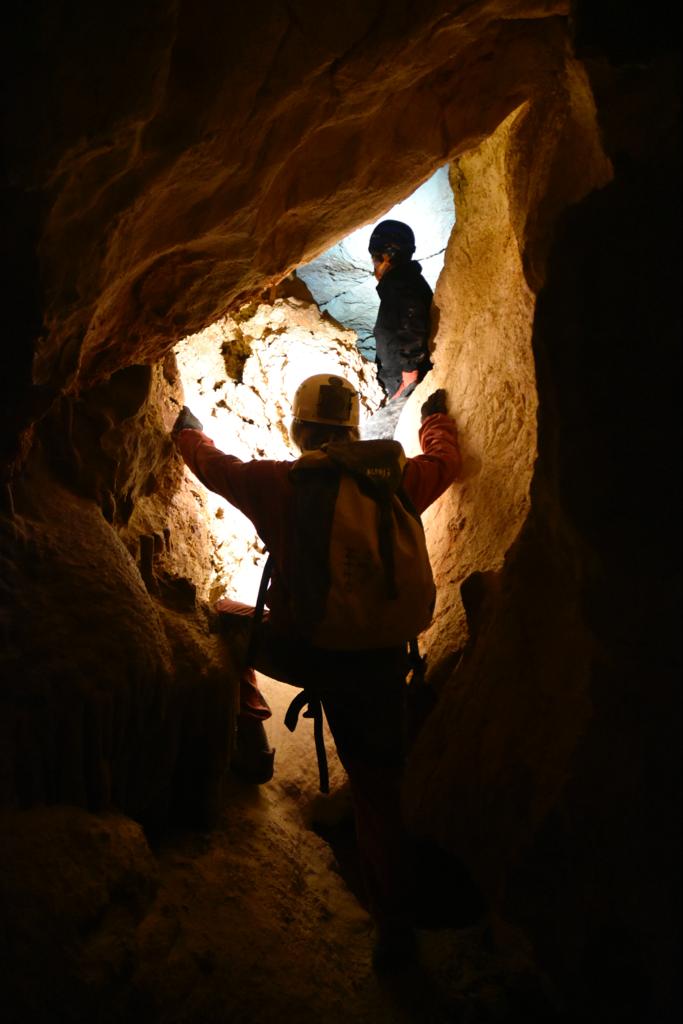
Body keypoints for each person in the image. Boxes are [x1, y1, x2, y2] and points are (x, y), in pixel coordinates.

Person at [172, 373, 460, 969]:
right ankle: (394, 932)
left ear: (299, 430)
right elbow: (445, 462)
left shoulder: (280, 483)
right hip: (379, 664)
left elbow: (213, 464)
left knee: (227, 617)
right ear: (355, 429)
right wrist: (436, 417)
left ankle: (252, 742)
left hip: (303, 652)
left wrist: (185, 430)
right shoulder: (396, 480)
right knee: (380, 795)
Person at [368, 219, 434, 402]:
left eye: (375, 257)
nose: (374, 265)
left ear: (388, 255)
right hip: (397, 377)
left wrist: (409, 374)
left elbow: (413, 321)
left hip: (403, 380)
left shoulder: (401, 282)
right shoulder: (403, 281)